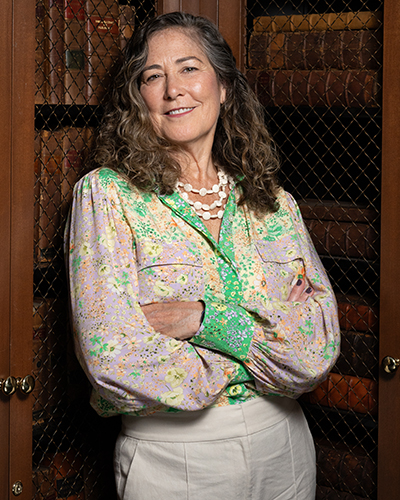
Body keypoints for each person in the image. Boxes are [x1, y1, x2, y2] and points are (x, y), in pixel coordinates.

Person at [65, 11, 340, 500]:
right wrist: (269, 343)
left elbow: (316, 350)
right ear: (138, 97)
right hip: (175, 458)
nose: (174, 90)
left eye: (189, 68)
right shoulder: (106, 196)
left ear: (224, 87)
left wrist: (201, 319)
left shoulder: (273, 204)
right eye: (153, 76)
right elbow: (112, 360)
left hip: (285, 445)